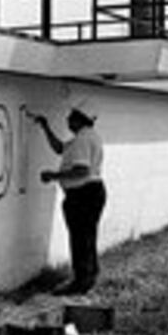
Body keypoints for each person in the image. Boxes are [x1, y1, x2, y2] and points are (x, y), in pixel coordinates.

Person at [34, 103, 106, 296]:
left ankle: (81, 282)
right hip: (91, 192)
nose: (67, 121)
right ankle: (89, 274)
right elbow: (60, 149)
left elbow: (81, 171)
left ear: (79, 120)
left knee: (80, 238)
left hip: (83, 194)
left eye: (71, 117)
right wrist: (45, 127)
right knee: (87, 236)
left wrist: (53, 176)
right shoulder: (87, 137)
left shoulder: (82, 140)